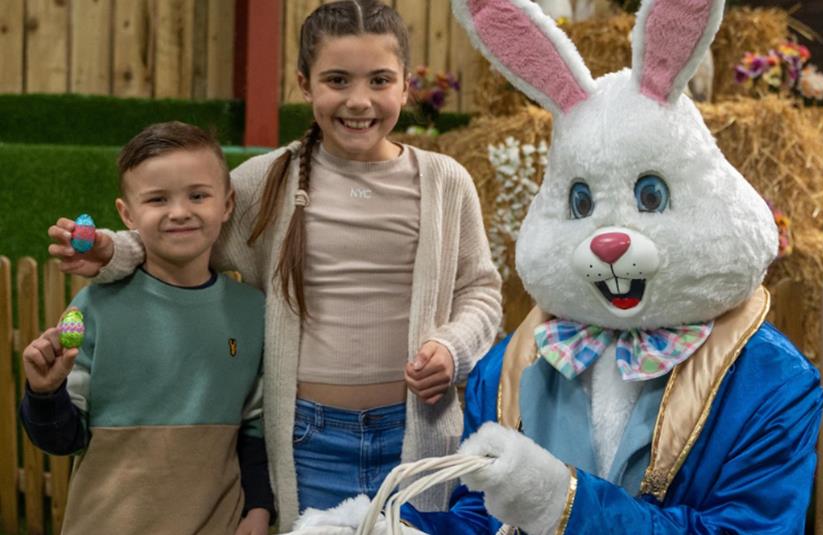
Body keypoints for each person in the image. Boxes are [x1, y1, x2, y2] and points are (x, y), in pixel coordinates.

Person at [47, 1, 503, 530]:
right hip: (307, 440)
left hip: (418, 434)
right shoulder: (267, 181)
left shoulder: (446, 180)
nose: (359, 100)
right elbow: (187, 233)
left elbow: (481, 291)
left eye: (380, 80)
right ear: (305, 85)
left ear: (406, 86)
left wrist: (452, 347)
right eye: (336, 80)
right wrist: (112, 250)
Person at [21, 121, 273, 534]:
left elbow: (255, 428)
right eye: (157, 199)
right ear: (127, 214)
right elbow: (61, 440)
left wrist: (259, 509)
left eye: (198, 195)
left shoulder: (251, 311)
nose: (179, 211)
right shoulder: (94, 307)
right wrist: (45, 394)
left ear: (226, 204)